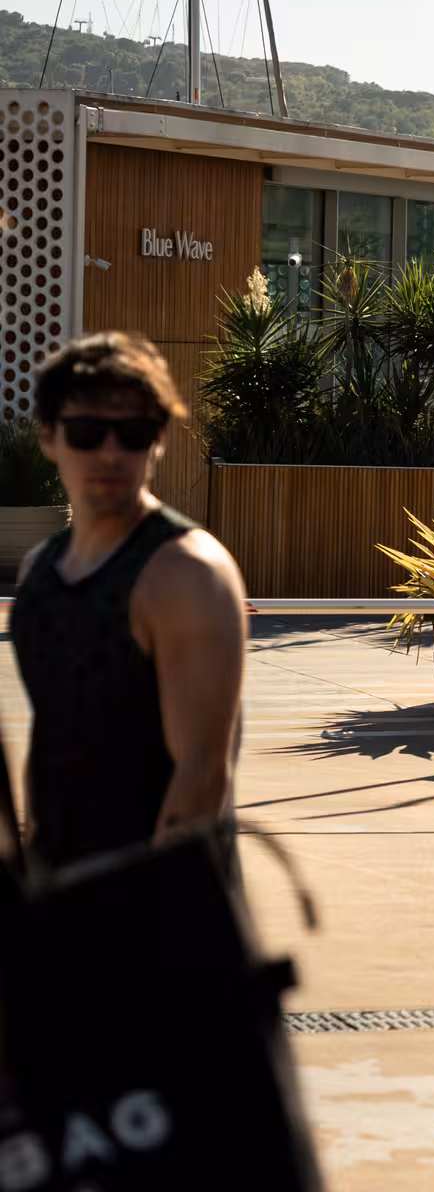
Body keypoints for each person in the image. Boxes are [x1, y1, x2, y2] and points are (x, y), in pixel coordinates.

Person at [11, 331, 248, 871]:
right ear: (49, 437)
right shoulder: (40, 572)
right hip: (59, 891)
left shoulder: (186, 574)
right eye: (87, 432)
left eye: (134, 433)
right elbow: (51, 743)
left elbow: (202, 774)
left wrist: (139, 909)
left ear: (158, 439)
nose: (111, 452)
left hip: (158, 905)